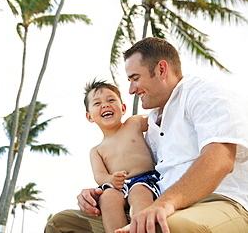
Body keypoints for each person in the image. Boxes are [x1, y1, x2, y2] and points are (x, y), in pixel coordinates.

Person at [45, 37, 248, 233]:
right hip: (160, 205)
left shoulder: (204, 92)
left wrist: (165, 203)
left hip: (219, 200)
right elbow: (133, 170)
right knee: (62, 224)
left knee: (159, 228)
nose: (131, 90)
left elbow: (221, 159)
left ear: (161, 69)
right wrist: (100, 192)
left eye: (135, 79)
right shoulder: (151, 122)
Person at [84, 79, 161, 232]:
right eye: (97, 103)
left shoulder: (134, 123)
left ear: (123, 108)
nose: (105, 105)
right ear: (90, 117)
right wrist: (111, 179)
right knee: (107, 197)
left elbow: (158, 118)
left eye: (111, 100)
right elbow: (99, 176)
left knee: (139, 193)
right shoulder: (97, 150)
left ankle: (139, 227)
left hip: (144, 179)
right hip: (117, 186)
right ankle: (117, 230)